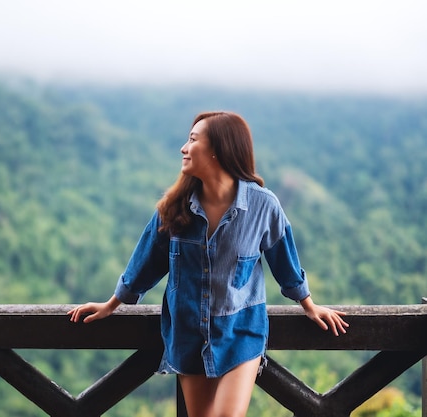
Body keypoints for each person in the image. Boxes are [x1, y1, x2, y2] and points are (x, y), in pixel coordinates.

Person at [68, 111, 349, 417]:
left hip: (240, 332)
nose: (183, 148)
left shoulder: (262, 205)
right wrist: (112, 304)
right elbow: (145, 262)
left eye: (192, 140)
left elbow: (285, 261)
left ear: (219, 149)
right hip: (188, 332)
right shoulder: (174, 208)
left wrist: (308, 304)